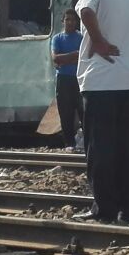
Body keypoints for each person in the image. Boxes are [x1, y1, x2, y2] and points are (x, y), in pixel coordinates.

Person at [66, 0, 129, 224]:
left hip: (101, 80)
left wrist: (99, 42)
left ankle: (104, 209)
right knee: (127, 147)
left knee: (100, 147)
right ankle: (128, 208)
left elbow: (86, 10)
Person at [50, 9, 84, 150]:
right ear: (62, 21)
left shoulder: (81, 38)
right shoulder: (57, 38)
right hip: (63, 80)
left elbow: (84, 57)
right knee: (65, 113)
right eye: (67, 19)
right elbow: (55, 59)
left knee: (83, 112)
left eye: (73, 19)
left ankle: (85, 143)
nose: (70, 22)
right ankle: (69, 144)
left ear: (76, 22)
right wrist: (75, 55)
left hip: (79, 79)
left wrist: (66, 58)